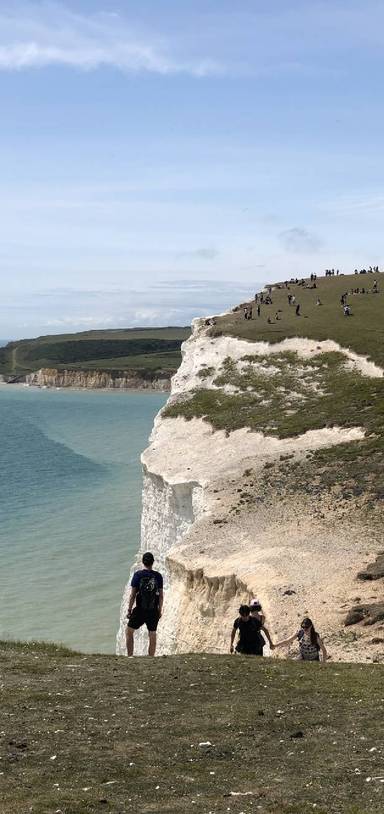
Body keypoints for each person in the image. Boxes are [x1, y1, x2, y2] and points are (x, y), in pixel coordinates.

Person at [126, 552, 163, 656]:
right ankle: (151, 657)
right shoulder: (158, 576)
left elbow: (133, 595)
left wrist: (129, 610)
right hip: (153, 610)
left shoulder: (138, 575)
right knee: (152, 633)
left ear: (143, 562)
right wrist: (159, 611)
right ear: (153, 562)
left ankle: (130, 655)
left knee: (129, 631)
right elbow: (161, 596)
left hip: (140, 610)